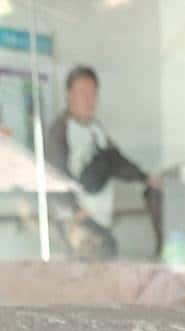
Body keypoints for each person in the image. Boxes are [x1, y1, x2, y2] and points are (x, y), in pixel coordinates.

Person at [45, 65, 161, 259]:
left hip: (99, 219)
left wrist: (145, 178)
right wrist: (74, 210)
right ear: (69, 94)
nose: (89, 100)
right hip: (77, 224)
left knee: (107, 262)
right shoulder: (60, 129)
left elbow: (115, 160)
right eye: (83, 93)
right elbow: (53, 175)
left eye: (93, 93)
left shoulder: (96, 128)